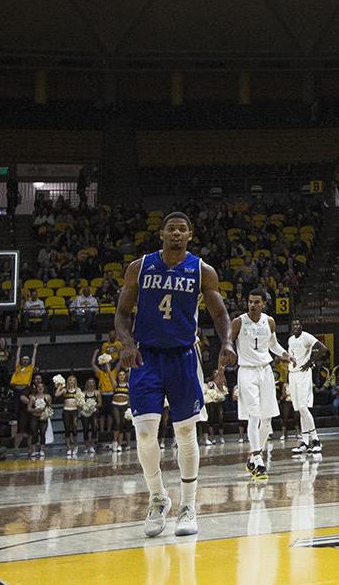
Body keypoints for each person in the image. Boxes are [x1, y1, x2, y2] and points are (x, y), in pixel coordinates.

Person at [116, 211, 235, 538]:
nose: (177, 234)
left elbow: (220, 312)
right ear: (162, 234)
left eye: (182, 229)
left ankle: (188, 505)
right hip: (146, 356)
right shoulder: (139, 267)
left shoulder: (201, 270)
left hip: (184, 357)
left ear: (190, 235)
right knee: (144, 432)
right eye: (171, 229)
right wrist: (126, 343)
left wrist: (227, 341)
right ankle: (157, 498)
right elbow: (122, 313)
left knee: (185, 433)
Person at [231, 288, 287, 479]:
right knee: (253, 416)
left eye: (256, 302)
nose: (252, 305)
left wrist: (286, 355)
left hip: (265, 370)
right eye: (250, 301)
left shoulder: (269, 321)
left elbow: (273, 345)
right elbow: (227, 346)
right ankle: (258, 458)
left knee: (267, 419)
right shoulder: (238, 322)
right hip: (246, 371)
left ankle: (254, 457)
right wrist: (221, 372)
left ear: (263, 303)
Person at [286, 319, 323, 455]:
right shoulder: (290, 340)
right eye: (293, 324)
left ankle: (316, 440)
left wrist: (310, 362)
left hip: (303, 374)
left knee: (303, 407)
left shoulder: (307, 337)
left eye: (298, 324)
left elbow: (323, 349)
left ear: (302, 326)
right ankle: (305, 442)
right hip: (293, 374)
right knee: (299, 410)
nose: (295, 326)